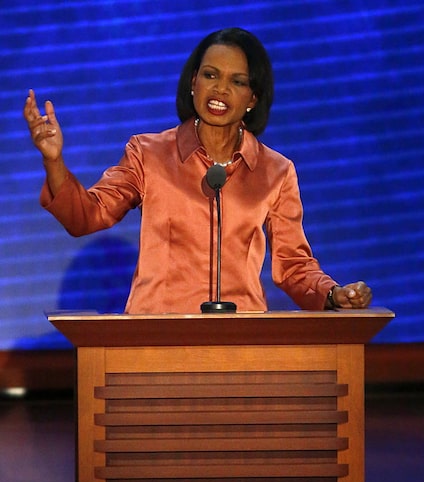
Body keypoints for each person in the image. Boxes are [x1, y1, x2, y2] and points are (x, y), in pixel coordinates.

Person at [23, 27, 372, 314]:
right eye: (210, 75)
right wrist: (54, 160)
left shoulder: (276, 171)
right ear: (193, 82)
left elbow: (294, 266)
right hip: (156, 337)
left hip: (240, 340)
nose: (220, 89)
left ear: (252, 98)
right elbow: (86, 216)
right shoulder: (148, 154)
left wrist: (332, 294)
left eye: (237, 82)